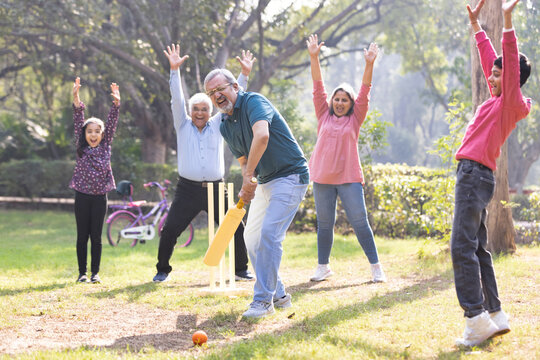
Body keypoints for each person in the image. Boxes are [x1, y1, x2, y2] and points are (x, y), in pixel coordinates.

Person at [451, 0, 531, 347]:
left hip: (473, 175)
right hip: (478, 176)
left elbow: (507, 64)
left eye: (498, 75)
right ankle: (495, 314)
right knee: (479, 248)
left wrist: (509, 23)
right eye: (492, 74)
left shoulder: (511, 102)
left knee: (461, 247)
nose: (492, 77)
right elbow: (492, 61)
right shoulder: (497, 99)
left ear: (512, 80)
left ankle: (475, 319)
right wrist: (476, 27)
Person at [203, 68, 310, 319]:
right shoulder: (225, 125)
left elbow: (261, 136)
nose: (217, 95)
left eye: (220, 89)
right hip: (264, 181)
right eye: (211, 93)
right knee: (251, 238)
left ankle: (262, 301)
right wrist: (247, 180)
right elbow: (242, 159)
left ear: (235, 87)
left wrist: (251, 174)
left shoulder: (254, 102)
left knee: (269, 236)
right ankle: (279, 294)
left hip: (290, 175)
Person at [153, 44, 256, 283]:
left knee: (236, 226)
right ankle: (162, 270)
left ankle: (241, 269)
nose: (200, 113)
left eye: (204, 109)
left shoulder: (219, 123)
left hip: (216, 188)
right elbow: (176, 98)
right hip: (187, 189)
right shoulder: (182, 124)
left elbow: (233, 97)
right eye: (196, 109)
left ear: (211, 111)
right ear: (190, 111)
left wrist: (245, 75)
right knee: (169, 230)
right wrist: (174, 71)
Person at [306, 34, 386, 283]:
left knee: (360, 222)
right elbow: (318, 86)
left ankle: (375, 267)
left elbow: (364, 93)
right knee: (324, 224)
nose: (340, 102)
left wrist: (369, 64)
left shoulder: (355, 118)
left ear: (351, 104)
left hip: (349, 177)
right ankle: (323, 266)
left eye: (345, 100)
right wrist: (313, 57)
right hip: (322, 177)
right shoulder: (323, 115)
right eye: (337, 99)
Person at [70, 77, 121, 284]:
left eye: (96, 132)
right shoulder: (81, 146)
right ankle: (82, 273)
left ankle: (95, 273)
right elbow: (77, 117)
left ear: (102, 135)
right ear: (84, 134)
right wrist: (76, 97)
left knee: (96, 237)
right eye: (89, 131)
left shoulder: (106, 144)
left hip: (100, 197)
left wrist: (116, 104)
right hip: (82, 196)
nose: (93, 134)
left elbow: (111, 123)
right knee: (82, 236)